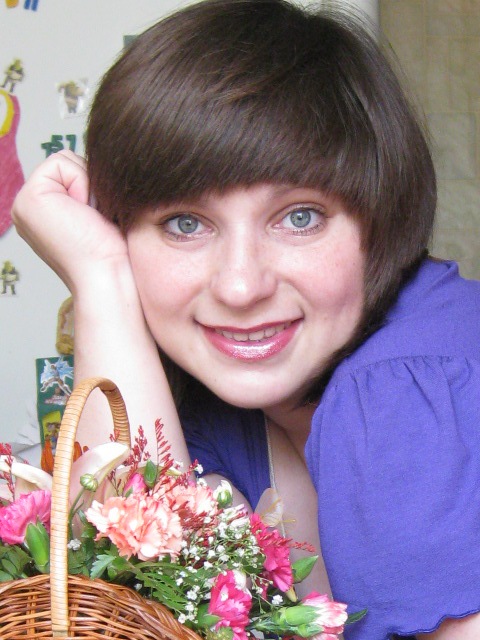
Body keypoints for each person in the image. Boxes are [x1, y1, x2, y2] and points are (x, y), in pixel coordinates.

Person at [12, 0, 480, 637]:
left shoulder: (406, 386)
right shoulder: (221, 412)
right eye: (185, 223)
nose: (240, 286)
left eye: (299, 217)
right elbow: (124, 598)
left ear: (381, 218)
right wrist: (100, 276)